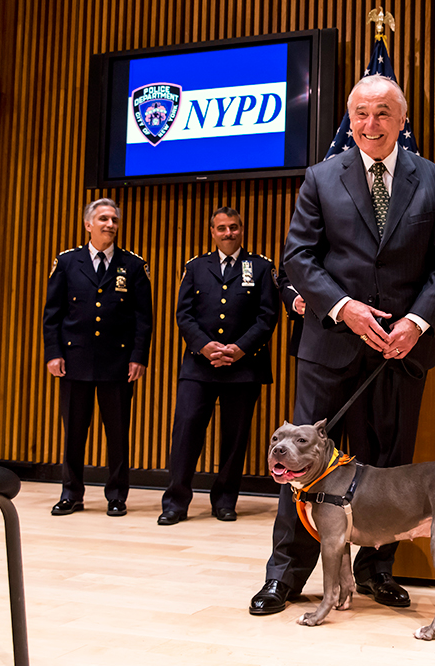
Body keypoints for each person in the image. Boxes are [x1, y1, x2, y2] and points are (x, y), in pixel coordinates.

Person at [249, 74, 435, 615]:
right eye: (361, 114)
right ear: (350, 119)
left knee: (388, 473)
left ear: (402, 120)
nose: (371, 124)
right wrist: (344, 307)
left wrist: (416, 321)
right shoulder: (322, 177)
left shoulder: (434, 180)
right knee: (299, 466)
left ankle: (374, 573)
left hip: (398, 351)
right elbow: (299, 256)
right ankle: (287, 576)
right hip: (330, 346)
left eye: (383, 113)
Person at [158, 207, 279, 525]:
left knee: (235, 437)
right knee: (185, 433)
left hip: (244, 366)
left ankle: (225, 500)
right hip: (200, 365)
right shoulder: (196, 267)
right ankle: (176, 502)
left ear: (243, 229)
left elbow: (268, 316)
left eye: (234, 227)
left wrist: (240, 349)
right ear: (212, 232)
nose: (229, 233)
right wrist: (204, 345)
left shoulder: (262, 266)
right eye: (222, 228)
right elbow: (183, 313)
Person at [42, 198, 153, 517]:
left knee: (118, 433)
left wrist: (138, 357)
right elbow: (53, 313)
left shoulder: (132, 265)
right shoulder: (66, 262)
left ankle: (117, 495)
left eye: (115, 220)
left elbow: (143, 317)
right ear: (88, 224)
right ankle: (71, 493)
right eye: (103, 219)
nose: (110, 225)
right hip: (74, 361)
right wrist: (53, 353)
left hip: (117, 362)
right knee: (73, 432)